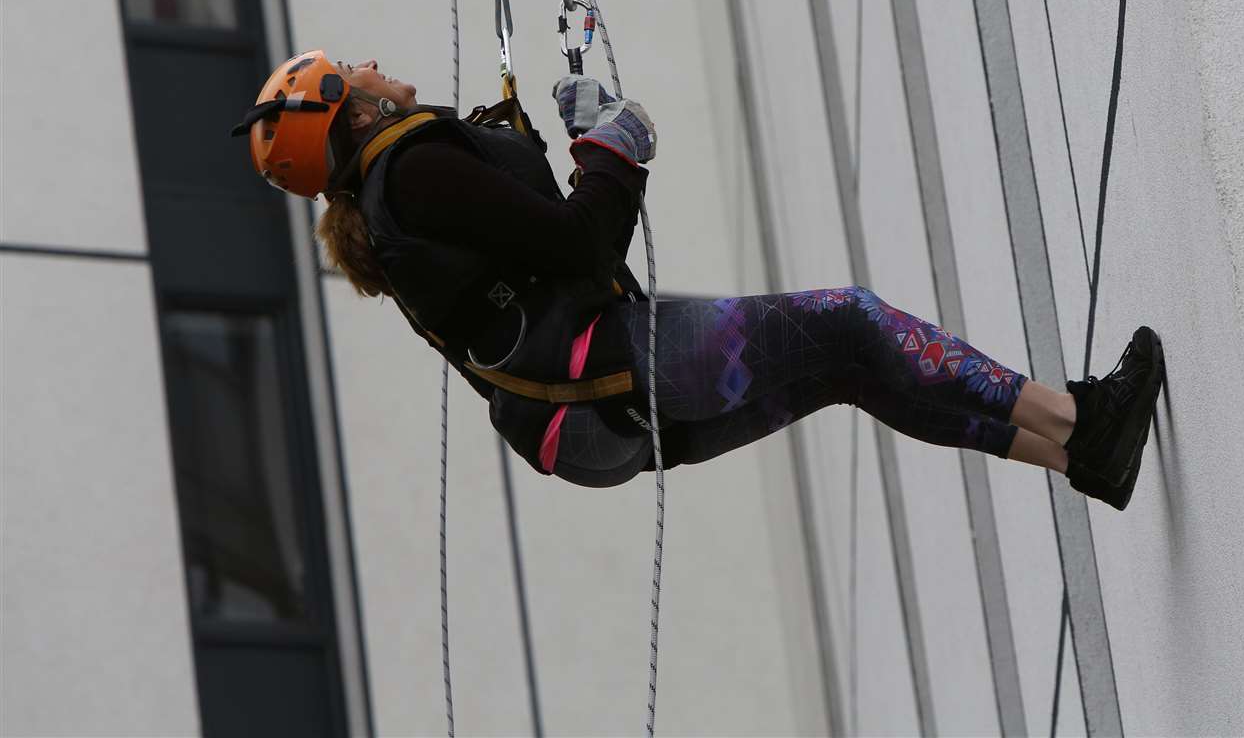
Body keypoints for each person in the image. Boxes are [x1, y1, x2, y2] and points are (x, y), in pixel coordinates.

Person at [233, 51, 1165, 509]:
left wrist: (586, 148)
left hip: (600, 419)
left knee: (846, 369)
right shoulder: (413, 175)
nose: (374, 67)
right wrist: (619, 150)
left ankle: (1077, 454)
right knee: (851, 322)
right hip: (620, 376)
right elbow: (583, 244)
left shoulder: (390, 208)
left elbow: (541, 252)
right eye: (353, 69)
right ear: (346, 107)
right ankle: (1087, 424)